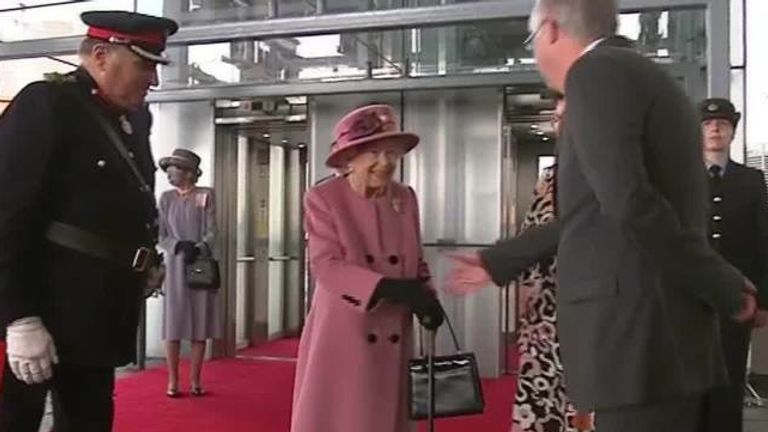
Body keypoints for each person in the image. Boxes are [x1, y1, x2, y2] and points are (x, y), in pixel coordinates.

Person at [526, 0, 757, 431]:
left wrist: (724, 284)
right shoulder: (651, 77)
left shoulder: (594, 73)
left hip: (635, 346)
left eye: (533, 42)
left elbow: (630, 201)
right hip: (667, 340)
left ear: (551, 31)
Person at [0, 11, 177, 432]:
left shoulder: (135, 118)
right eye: (144, 64)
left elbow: (124, 199)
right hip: (47, 306)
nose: (152, 78)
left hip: (100, 310)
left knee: (89, 422)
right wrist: (19, 316)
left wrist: (146, 256)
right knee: (17, 421)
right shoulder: (48, 103)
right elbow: (7, 213)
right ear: (100, 55)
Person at [290, 103, 443, 432]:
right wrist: (389, 287)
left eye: (392, 153)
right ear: (349, 158)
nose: (385, 163)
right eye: (374, 153)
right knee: (347, 417)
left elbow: (416, 258)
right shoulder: (324, 197)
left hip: (395, 331)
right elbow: (326, 266)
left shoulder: (406, 198)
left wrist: (427, 296)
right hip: (346, 333)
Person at [449, 95, 592, 432]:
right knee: (542, 410)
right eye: (557, 120)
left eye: (569, 117)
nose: (563, 127)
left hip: (586, 316)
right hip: (545, 320)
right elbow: (535, 231)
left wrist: (498, 261)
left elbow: (573, 226)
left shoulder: (604, 170)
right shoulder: (552, 174)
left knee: (582, 412)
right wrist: (524, 289)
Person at [697, 98, 768, 432]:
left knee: (729, 382)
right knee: (691, 388)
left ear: (732, 132)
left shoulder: (751, 180)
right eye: (709, 124)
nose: (715, 129)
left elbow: (763, 241)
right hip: (691, 300)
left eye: (723, 124)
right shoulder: (681, 179)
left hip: (736, 300)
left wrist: (764, 302)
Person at [157, 149, 221, 398]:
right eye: (170, 169)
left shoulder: (206, 195)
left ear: (190, 172)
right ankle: (173, 381)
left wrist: (200, 246)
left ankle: (195, 380)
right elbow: (160, 234)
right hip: (174, 266)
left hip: (199, 265)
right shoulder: (165, 198)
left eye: (176, 168)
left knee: (199, 323)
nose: (171, 173)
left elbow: (213, 230)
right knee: (172, 323)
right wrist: (175, 245)